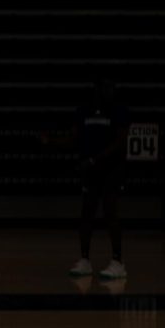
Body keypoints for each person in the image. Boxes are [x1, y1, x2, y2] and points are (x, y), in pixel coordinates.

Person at [69, 78, 129, 280]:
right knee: (87, 213)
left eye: (112, 87)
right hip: (90, 170)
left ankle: (118, 261)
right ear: (97, 88)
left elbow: (120, 142)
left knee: (111, 211)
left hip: (111, 169)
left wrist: (95, 159)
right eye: (106, 87)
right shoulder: (83, 111)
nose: (110, 91)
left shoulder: (118, 110)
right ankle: (85, 260)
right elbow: (76, 138)